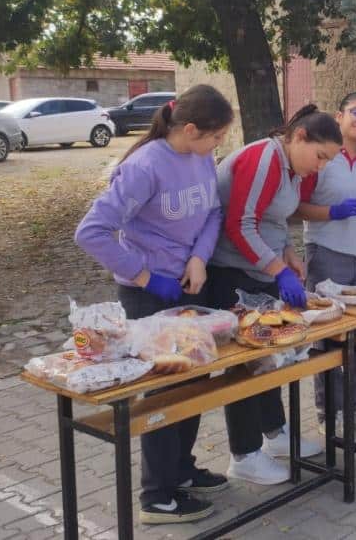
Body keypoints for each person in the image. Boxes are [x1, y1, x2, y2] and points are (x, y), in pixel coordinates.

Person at [74, 85, 234, 525]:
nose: (218, 147)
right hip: (150, 293)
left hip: (189, 285)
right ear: (189, 129)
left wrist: (200, 257)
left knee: (194, 378)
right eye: (215, 137)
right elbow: (91, 232)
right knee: (164, 388)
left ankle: (179, 469)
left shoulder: (200, 157)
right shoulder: (144, 167)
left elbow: (214, 213)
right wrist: (145, 275)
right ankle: (156, 495)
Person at [206, 104, 341, 486]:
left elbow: (274, 219)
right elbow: (240, 224)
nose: (321, 166)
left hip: (259, 268)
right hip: (230, 270)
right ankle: (244, 454)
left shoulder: (291, 169)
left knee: (267, 356)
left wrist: (287, 254)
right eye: (320, 156)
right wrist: (278, 270)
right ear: (299, 137)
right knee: (244, 361)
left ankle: (275, 433)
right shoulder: (264, 158)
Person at [295, 92, 356, 439]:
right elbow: (296, 207)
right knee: (329, 336)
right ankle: (328, 410)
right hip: (328, 252)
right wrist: (333, 212)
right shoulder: (322, 158)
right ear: (339, 116)